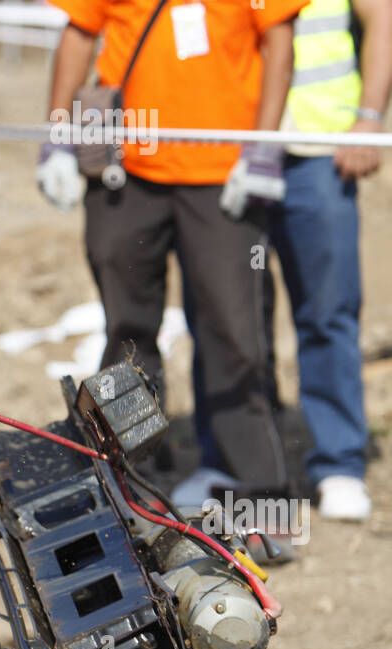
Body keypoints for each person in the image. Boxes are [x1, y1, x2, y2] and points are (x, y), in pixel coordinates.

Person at [38, 0, 307, 540]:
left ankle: (257, 502)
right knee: (126, 335)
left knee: (235, 332)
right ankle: (130, 488)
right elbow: (78, 35)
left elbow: (279, 40)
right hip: (125, 171)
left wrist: (262, 146)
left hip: (222, 170)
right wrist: (59, 136)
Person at [267, 0, 389, 521]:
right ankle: (244, 464)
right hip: (231, 146)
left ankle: (339, 461)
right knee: (231, 316)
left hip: (318, 151)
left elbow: (382, 16)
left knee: (327, 308)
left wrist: (368, 118)